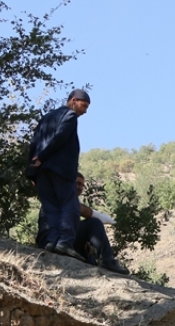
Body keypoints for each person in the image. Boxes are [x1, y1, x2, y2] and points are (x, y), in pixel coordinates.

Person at [28, 89, 90, 260]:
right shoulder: (69, 116)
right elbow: (60, 137)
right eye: (84, 106)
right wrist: (43, 156)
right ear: (73, 100)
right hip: (61, 169)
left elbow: (34, 143)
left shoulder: (46, 118)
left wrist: (32, 172)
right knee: (70, 206)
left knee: (51, 207)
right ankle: (64, 242)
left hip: (42, 172)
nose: (85, 111)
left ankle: (52, 241)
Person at [34, 173, 128, 275]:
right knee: (94, 223)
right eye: (77, 183)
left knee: (87, 253)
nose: (80, 187)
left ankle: (96, 265)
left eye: (82, 185)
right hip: (50, 241)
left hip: (61, 240)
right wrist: (112, 221)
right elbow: (84, 210)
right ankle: (108, 261)